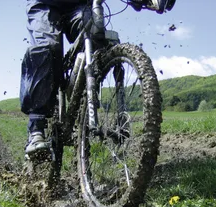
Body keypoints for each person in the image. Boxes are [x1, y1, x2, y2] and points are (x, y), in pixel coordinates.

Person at [20, 0, 175, 159]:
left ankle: (82, 102)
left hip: (79, 6)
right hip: (45, 4)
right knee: (48, 48)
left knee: (97, 37)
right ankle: (36, 128)